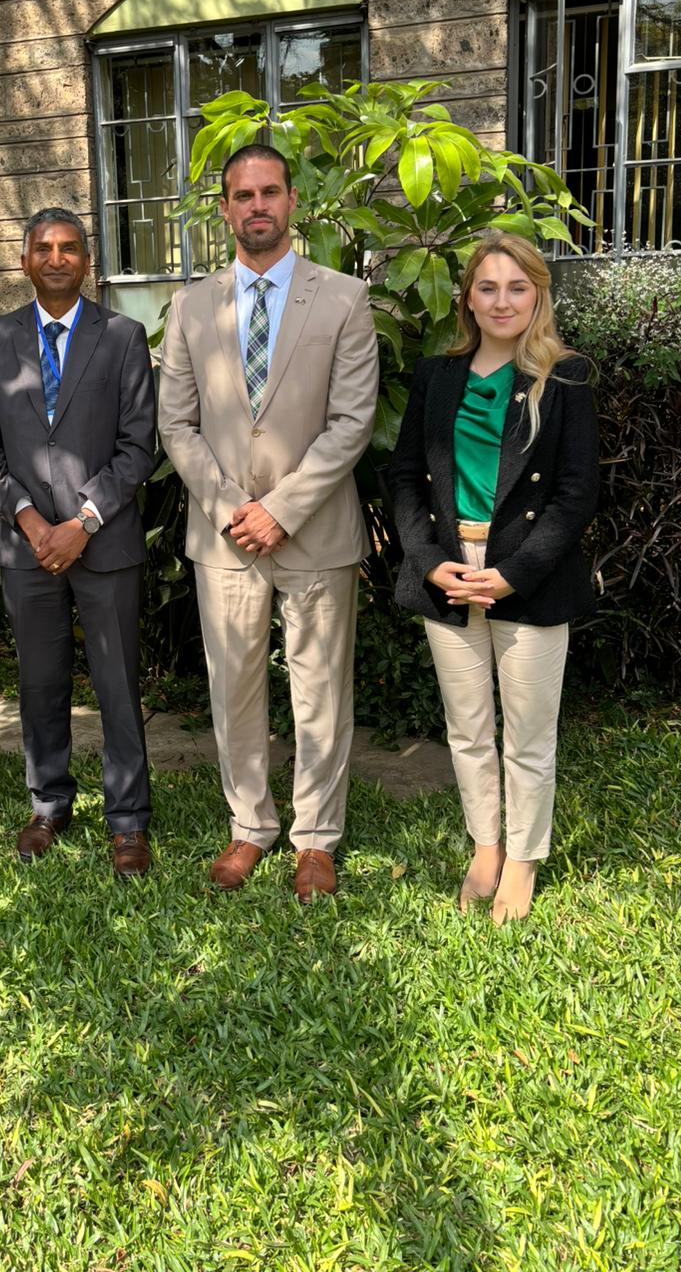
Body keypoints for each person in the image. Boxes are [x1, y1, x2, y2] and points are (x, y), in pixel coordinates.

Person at [158, 145, 379, 900]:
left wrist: (280, 510)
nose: (256, 205)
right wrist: (232, 510)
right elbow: (177, 425)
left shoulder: (345, 299)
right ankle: (249, 826)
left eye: (269, 192)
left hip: (314, 531)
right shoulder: (190, 306)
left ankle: (316, 838)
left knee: (320, 690)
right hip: (224, 539)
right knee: (236, 689)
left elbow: (352, 422)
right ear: (224, 209)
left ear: (292, 202)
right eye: (241, 195)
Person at [388, 231, 599, 923]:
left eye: (517, 286)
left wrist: (513, 573)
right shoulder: (438, 375)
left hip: (526, 576)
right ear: (468, 299)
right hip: (450, 572)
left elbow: (575, 494)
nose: (502, 300)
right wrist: (425, 559)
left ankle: (524, 858)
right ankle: (486, 846)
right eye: (488, 287)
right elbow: (404, 480)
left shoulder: (565, 377)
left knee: (529, 734)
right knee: (468, 727)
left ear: (537, 293)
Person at [0, 208, 157, 876]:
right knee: (40, 680)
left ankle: (128, 819)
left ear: (87, 260)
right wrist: (29, 522)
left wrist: (84, 521)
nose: (56, 258)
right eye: (43, 248)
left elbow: (141, 446)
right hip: (27, 547)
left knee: (115, 684)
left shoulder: (123, 337)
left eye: (69, 248)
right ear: (24, 261)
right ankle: (48, 803)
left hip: (102, 545)